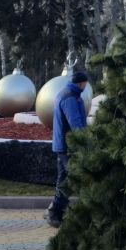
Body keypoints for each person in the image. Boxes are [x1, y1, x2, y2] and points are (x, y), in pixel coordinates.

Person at [44, 69, 89, 228]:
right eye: (85, 83)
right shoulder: (70, 98)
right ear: (81, 83)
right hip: (68, 146)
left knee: (64, 179)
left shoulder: (68, 94)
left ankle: (55, 211)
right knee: (74, 178)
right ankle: (56, 211)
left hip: (62, 145)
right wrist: (86, 140)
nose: (85, 86)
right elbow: (76, 123)